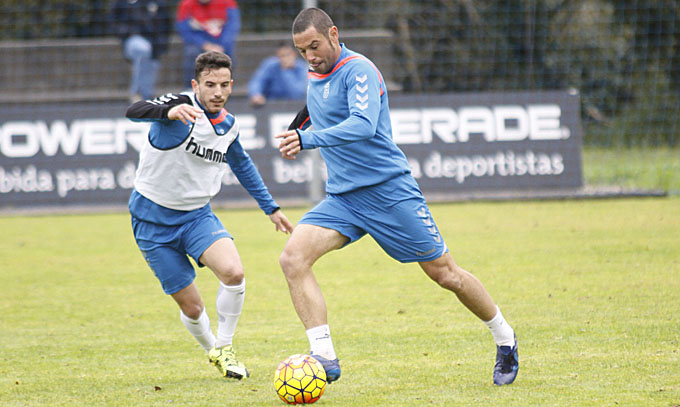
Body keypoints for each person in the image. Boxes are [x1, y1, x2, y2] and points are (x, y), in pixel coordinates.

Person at [276, 8, 519, 386]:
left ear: (333, 34)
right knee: (293, 258)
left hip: (389, 192)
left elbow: (362, 124)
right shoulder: (315, 72)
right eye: (302, 50)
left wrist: (307, 139)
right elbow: (317, 105)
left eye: (314, 46)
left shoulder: (359, 70)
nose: (309, 56)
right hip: (343, 199)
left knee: (446, 274)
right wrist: (295, 130)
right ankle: (324, 356)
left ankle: (505, 338)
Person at [126, 51, 294, 379]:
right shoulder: (178, 105)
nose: (218, 92)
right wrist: (168, 111)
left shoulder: (228, 125)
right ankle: (212, 351)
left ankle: (225, 347)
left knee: (234, 273)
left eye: (224, 85)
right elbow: (134, 111)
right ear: (196, 85)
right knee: (193, 307)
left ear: (232, 85)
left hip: (196, 217)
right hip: (151, 222)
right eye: (210, 85)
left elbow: (243, 165)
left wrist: (271, 208)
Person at [111, 0, 172, 102]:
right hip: (133, 37)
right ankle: (136, 92)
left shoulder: (159, 3)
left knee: (153, 64)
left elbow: (166, 24)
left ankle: (146, 95)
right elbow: (114, 20)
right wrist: (125, 32)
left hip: (155, 41)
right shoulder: (123, 3)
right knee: (143, 50)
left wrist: (162, 42)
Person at [176, 0, 241, 87]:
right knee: (192, 53)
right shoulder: (186, 4)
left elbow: (233, 27)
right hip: (198, 44)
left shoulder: (227, 2)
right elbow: (184, 31)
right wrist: (204, 44)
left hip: (221, 43)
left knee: (227, 56)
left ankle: (225, 87)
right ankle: (191, 88)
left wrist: (222, 45)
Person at [248, 42, 309, 107]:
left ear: (295, 54)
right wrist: (256, 94)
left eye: (288, 55)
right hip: (270, 104)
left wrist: (286, 70)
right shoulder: (270, 65)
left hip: (293, 106)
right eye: (282, 56)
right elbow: (258, 81)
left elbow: (298, 94)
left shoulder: (302, 68)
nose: (285, 58)